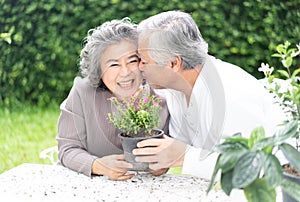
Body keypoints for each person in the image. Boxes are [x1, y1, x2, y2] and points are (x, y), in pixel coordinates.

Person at [133, 10, 285, 179]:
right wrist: (161, 159)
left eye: (143, 60)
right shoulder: (176, 91)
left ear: (173, 63)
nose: (138, 67)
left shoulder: (232, 95)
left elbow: (250, 167)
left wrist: (183, 157)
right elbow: (181, 145)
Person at [56, 18, 170, 181]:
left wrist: (160, 165)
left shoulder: (159, 100)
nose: (125, 72)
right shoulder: (83, 93)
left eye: (132, 61)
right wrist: (98, 165)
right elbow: (67, 150)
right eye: (114, 65)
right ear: (99, 69)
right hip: (83, 184)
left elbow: (164, 158)